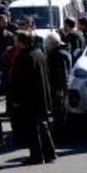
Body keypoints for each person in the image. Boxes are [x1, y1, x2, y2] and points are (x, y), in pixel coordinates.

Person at [11, 31, 56, 165]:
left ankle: (36, 155)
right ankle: (49, 153)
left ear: (21, 42)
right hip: (42, 96)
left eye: (16, 40)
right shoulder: (39, 54)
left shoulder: (24, 57)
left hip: (29, 99)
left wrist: (16, 100)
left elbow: (20, 82)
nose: (15, 43)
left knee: (32, 128)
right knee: (42, 125)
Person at [45, 32, 72, 131]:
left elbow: (63, 74)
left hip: (57, 88)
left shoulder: (58, 55)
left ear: (52, 43)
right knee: (59, 112)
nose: (46, 47)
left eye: (47, 44)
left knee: (58, 112)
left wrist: (63, 89)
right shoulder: (64, 52)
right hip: (60, 87)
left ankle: (59, 132)